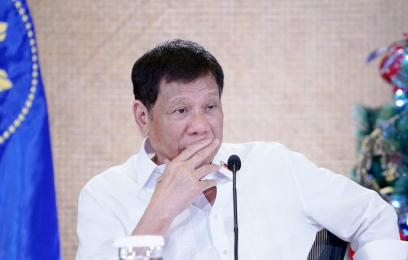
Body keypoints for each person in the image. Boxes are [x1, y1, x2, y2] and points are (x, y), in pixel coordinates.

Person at [76, 39, 407, 260]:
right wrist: (159, 212)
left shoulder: (273, 164)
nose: (201, 125)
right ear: (142, 117)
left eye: (210, 106)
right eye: (181, 111)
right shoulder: (106, 196)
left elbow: (373, 216)